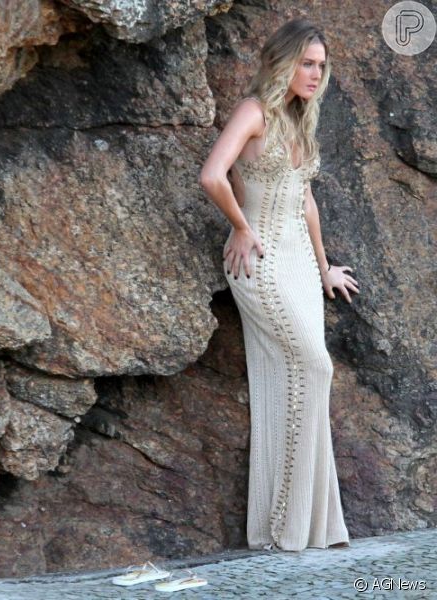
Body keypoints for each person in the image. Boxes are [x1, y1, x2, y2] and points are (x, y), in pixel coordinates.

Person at [199, 18, 359, 552]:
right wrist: (241, 227)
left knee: (305, 380)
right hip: (258, 260)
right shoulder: (253, 112)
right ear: (283, 62)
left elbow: (306, 200)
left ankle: (308, 527)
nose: (315, 74)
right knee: (315, 366)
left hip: (296, 263)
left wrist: (323, 268)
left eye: (320, 65)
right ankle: (279, 529)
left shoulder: (299, 118)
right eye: (306, 63)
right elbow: (212, 176)